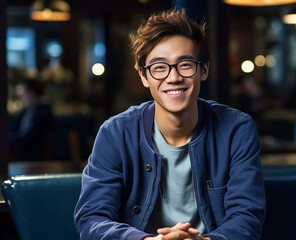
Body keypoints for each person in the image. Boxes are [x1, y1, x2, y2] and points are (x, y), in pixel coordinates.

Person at [74, 9, 266, 240]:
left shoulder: (237, 129)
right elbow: (91, 218)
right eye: (159, 67)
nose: (173, 77)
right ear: (144, 76)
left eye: (185, 64)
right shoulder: (115, 133)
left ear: (203, 69)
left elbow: (247, 218)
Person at [9, 78, 53, 161]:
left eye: (24, 92)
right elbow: (11, 127)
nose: (22, 95)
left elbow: (28, 138)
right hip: (20, 151)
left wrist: (9, 141)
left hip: (31, 157)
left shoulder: (42, 113)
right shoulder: (27, 111)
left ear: (32, 93)